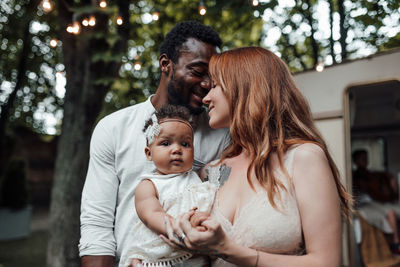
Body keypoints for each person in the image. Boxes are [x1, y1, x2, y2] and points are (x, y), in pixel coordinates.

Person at [162, 47, 353, 266]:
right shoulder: (212, 171)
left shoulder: (303, 158)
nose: (206, 98)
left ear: (243, 87)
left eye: (215, 86)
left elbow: (326, 262)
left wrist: (227, 249)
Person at [79, 21, 230, 267]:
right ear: (165, 64)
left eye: (212, 78)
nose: (206, 84)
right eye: (197, 71)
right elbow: (97, 222)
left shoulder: (220, 135)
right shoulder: (114, 128)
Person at [119, 104, 216, 267]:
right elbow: (152, 215)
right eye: (166, 143)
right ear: (149, 153)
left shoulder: (197, 180)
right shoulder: (149, 185)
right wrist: (180, 228)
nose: (177, 149)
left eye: (185, 144)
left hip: (194, 256)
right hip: (157, 257)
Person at [352, 149, 400, 253]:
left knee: (394, 210)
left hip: (376, 200)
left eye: (366, 158)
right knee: (390, 213)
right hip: (365, 203)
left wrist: (390, 180)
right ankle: (396, 245)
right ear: (355, 161)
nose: (365, 160)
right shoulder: (356, 176)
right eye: (362, 159)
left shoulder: (371, 173)